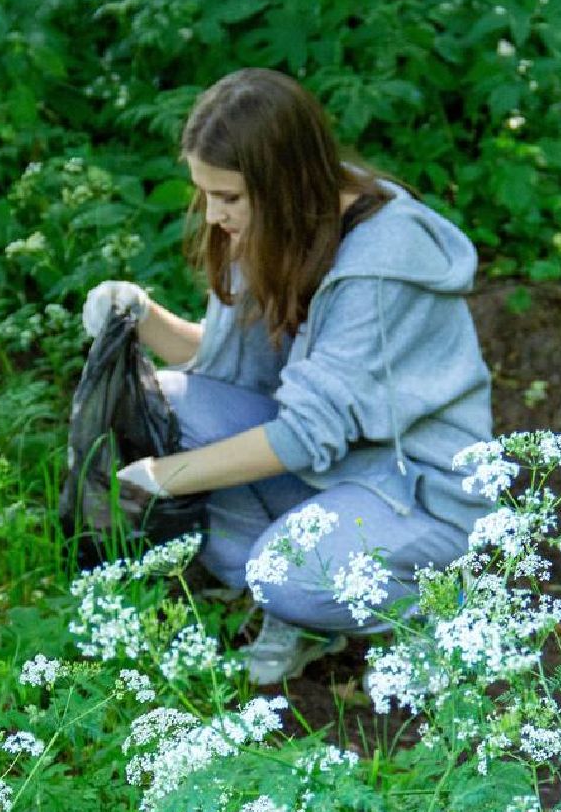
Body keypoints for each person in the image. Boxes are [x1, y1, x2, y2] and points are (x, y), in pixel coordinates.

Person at [81, 67, 492, 685]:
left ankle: (446, 600)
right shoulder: (276, 226)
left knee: (283, 573)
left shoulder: (381, 264)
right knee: (167, 405)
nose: (214, 214)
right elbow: (230, 369)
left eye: (228, 197)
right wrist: (139, 315)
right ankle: (305, 608)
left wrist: (163, 477)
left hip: (418, 491)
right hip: (339, 469)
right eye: (206, 194)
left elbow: (303, 435)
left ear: (284, 182)